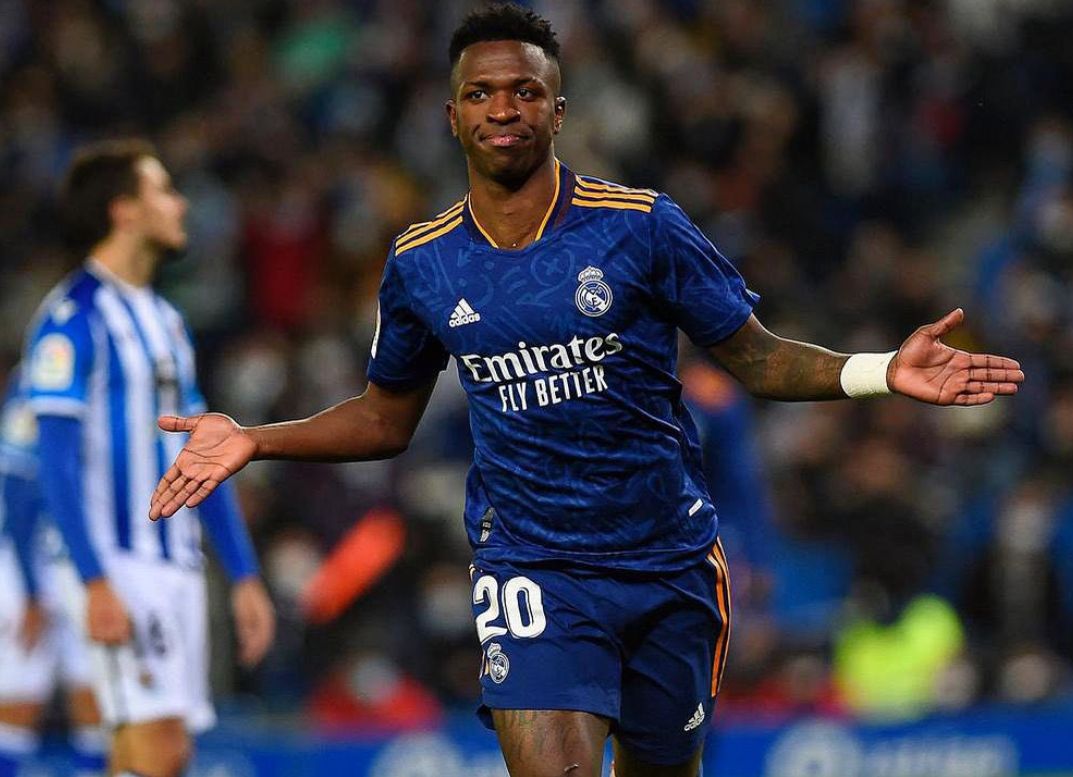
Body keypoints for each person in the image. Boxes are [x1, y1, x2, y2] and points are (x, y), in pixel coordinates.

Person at [149, 5, 1024, 776]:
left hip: (665, 560)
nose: (504, 107)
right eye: (483, 92)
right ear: (451, 114)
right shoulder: (420, 263)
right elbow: (385, 417)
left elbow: (753, 358)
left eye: (525, 92)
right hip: (532, 562)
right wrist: (258, 437)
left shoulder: (639, 225)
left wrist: (878, 371)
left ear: (558, 111)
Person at [24, 139, 276, 777]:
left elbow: (204, 456)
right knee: (156, 749)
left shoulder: (165, 322)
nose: (179, 203)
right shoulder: (71, 319)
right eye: (163, 189)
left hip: (176, 565)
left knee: (159, 753)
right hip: (116, 563)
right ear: (124, 211)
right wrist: (94, 579)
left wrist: (243, 574)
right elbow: (50, 463)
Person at [0, 368, 106, 777]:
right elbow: (17, 486)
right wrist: (29, 589)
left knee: (98, 701)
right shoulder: (46, 369)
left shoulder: (125, 365)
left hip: (88, 561)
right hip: (26, 560)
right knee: (18, 703)